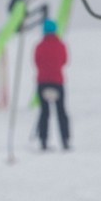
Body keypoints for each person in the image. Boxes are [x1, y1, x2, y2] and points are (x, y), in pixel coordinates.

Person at [33, 19, 71, 151]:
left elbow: (36, 61)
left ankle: (43, 140)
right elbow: (65, 60)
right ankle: (65, 140)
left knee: (44, 112)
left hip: (43, 82)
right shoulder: (61, 45)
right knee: (61, 112)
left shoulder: (39, 46)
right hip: (57, 82)